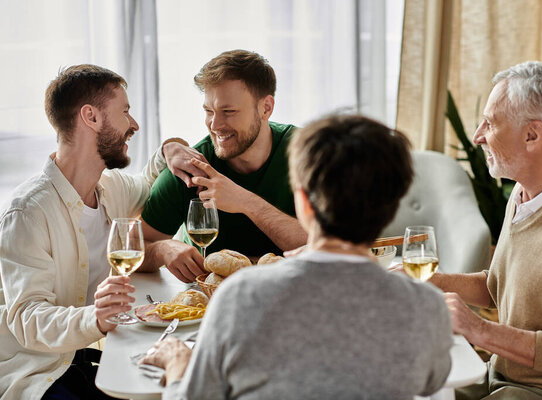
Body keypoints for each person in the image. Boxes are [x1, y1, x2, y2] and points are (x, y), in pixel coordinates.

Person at [142, 114, 454, 399]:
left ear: (302, 203)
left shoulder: (242, 295)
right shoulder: (426, 306)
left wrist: (178, 364)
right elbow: (430, 381)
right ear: (392, 208)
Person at [0, 64, 203, 400]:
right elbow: (26, 318)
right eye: (124, 111)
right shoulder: (28, 212)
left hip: (82, 361)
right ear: (91, 117)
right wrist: (95, 318)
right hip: (36, 372)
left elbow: (151, 183)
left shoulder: (110, 189)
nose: (134, 125)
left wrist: (170, 146)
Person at [428, 61, 542, 399]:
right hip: (499, 376)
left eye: (489, 123)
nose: (477, 136)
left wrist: (479, 329)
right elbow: (503, 287)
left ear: (532, 134)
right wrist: (429, 281)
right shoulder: (526, 192)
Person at [140, 50, 308, 283]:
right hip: (205, 310)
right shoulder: (191, 167)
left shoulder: (309, 155)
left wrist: (245, 202)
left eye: (228, 112)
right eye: (209, 111)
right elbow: (132, 248)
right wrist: (162, 250)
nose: (215, 125)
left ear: (266, 108)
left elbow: (337, 250)